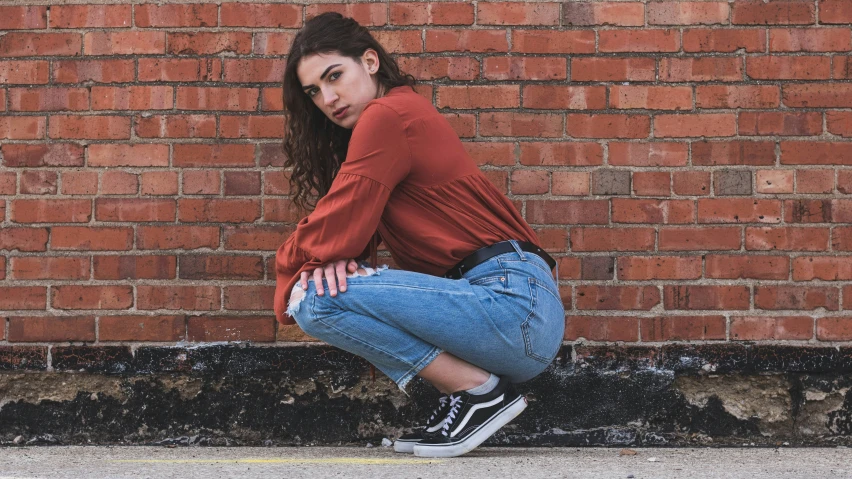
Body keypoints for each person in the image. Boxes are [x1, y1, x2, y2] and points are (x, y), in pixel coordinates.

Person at [274, 12, 565, 458]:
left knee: (312, 298)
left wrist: (295, 261)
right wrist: (335, 255)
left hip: (512, 304)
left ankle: (479, 392)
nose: (328, 98)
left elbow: (336, 222)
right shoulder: (393, 117)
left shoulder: (388, 114)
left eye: (335, 76)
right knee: (321, 292)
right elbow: (344, 228)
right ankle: (471, 394)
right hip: (514, 314)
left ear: (369, 62)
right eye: (314, 91)